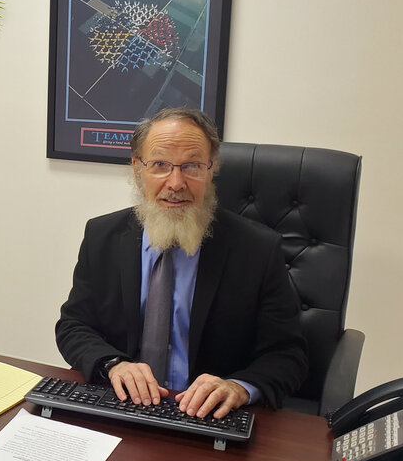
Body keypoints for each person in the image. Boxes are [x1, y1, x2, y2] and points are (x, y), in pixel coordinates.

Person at [55, 107, 307, 419]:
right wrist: (113, 364)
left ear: (211, 170)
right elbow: (73, 325)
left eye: (192, 166)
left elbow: (287, 354)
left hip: (207, 416)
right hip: (122, 407)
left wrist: (238, 387)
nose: (176, 183)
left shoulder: (257, 249)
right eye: (160, 165)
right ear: (137, 169)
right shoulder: (102, 236)